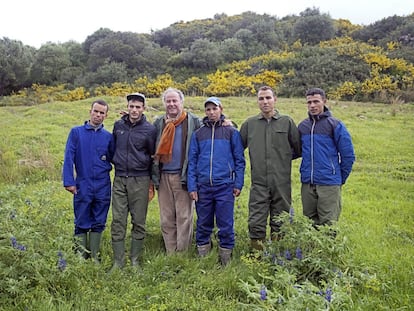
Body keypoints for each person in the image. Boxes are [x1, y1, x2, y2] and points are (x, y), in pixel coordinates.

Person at [239, 86, 301, 251]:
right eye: (261, 98)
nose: (265, 102)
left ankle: (278, 255)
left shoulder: (287, 122)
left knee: (280, 220)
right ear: (257, 101)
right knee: (256, 220)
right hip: (258, 182)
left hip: (281, 182)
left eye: (268, 98)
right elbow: (237, 148)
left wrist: (282, 158)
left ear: (275, 99)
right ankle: (258, 256)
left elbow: (298, 148)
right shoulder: (250, 124)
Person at [187, 97, 245, 266]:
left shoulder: (231, 132)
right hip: (203, 186)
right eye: (208, 109)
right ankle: (203, 256)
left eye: (214, 108)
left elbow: (239, 159)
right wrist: (192, 186)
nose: (211, 112)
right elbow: (192, 160)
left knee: (225, 224)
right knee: (203, 222)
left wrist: (238, 183)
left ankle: (225, 257)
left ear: (221, 109)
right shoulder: (198, 134)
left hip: (225, 186)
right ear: (205, 112)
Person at [152, 87, 203, 254]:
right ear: (164, 104)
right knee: (166, 218)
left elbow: (211, 128)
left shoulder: (193, 121)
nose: (172, 104)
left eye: (175, 101)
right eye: (168, 101)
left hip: (183, 176)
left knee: (184, 217)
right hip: (163, 175)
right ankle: (170, 252)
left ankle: (182, 253)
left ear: (182, 102)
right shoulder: (159, 123)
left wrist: (226, 121)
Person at [110, 92, 157, 269]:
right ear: (127, 107)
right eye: (131, 106)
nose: (134, 110)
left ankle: (135, 259)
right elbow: (113, 147)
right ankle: (118, 261)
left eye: (138, 107)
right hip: (120, 178)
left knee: (139, 220)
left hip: (140, 179)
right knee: (118, 220)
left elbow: (153, 155)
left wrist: (152, 182)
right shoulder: (118, 126)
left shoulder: (150, 129)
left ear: (143, 109)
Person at [62, 99, 113, 263]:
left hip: (103, 184)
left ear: (106, 115)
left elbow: (115, 158)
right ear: (90, 111)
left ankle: (94, 255)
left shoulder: (108, 137)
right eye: (96, 111)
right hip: (83, 183)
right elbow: (68, 157)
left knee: (99, 220)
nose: (98, 115)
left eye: (102, 113)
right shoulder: (76, 133)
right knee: (82, 218)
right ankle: (80, 255)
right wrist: (69, 181)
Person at [298, 88, 355, 226]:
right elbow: (295, 151)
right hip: (307, 183)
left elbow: (348, 155)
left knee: (328, 225)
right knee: (309, 223)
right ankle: (309, 248)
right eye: (309, 102)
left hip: (329, 183)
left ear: (324, 101)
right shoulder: (302, 126)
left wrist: (339, 178)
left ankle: (327, 248)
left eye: (316, 101)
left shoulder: (335, 125)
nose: (312, 105)